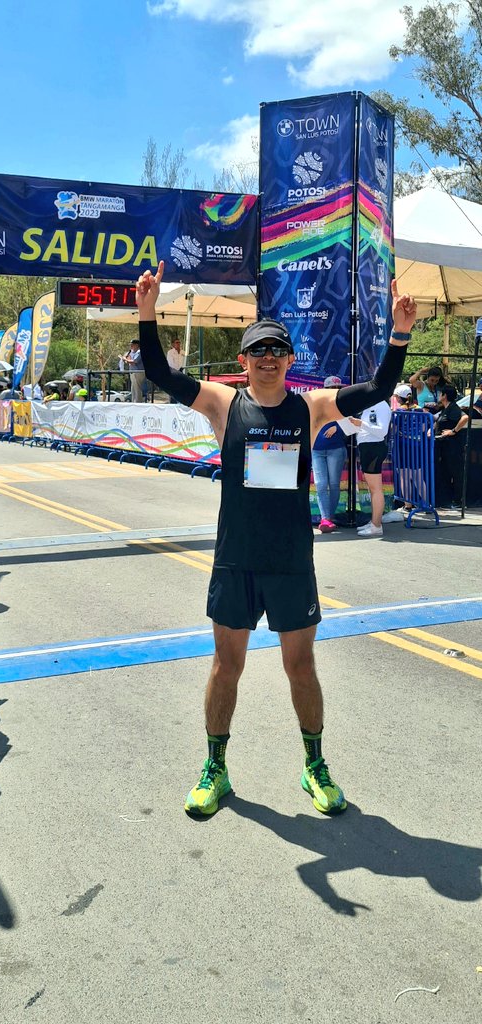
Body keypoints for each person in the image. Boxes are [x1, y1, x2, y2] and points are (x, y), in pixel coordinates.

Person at [136, 260, 416, 818]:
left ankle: (314, 766)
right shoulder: (222, 403)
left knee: (301, 668)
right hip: (236, 561)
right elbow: (162, 377)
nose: (267, 359)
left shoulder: (311, 407)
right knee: (225, 665)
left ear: (290, 360)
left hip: (290, 562)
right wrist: (147, 313)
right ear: (243, 360)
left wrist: (400, 334)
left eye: (276, 351)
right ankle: (215, 768)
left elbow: (380, 387)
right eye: (257, 351)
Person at [352, 400, 401, 537]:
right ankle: (375, 521)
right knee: (373, 489)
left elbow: (381, 431)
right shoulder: (369, 405)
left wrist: (361, 424)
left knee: (376, 489)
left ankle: (376, 525)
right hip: (367, 446)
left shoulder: (381, 406)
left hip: (373, 447)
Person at [311, 376, 348, 533]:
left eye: (337, 388)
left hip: (336, 448)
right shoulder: (316, 404)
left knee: (333, 485)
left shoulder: (345, 403)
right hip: (317, 449)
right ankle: (326, 518)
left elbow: (354, 422)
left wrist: (338, 427)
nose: (334, 390)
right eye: (331, 388)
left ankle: (329, 518)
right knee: (320, 485)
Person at [434, 384, 469, 508]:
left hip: (453, 447)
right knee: (447, 472)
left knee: (456, 473)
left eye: (440, 393)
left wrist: (453, 431)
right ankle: (449, 499)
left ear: (445, 395)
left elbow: (465, 417)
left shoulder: (453, 408)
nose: (438, 395)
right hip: (444, 447)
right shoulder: (444, 409)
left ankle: (458, 501)